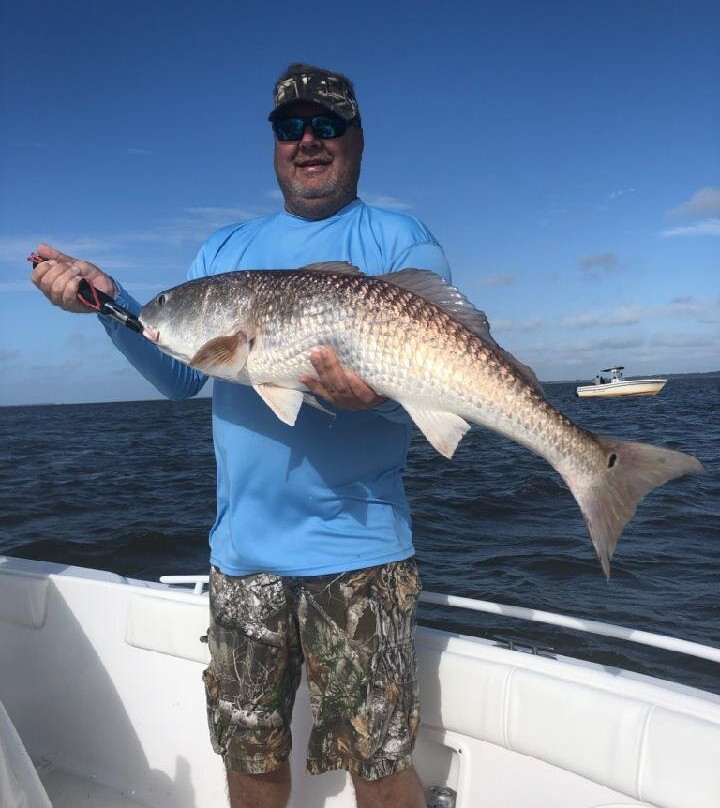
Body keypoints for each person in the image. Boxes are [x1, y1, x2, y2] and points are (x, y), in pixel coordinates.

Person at [31, 63, 451, 808]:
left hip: (359, 555)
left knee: (381, 767)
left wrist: (374, 403)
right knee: (249, 758)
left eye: (327, 125)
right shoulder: (224, 251)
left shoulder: (398, 238)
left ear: (356, 137)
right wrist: (108, 304)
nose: (308, 141)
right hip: (242, 555)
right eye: (291, 128)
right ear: (275, 145)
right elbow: (183, 375)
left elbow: (439, 382)